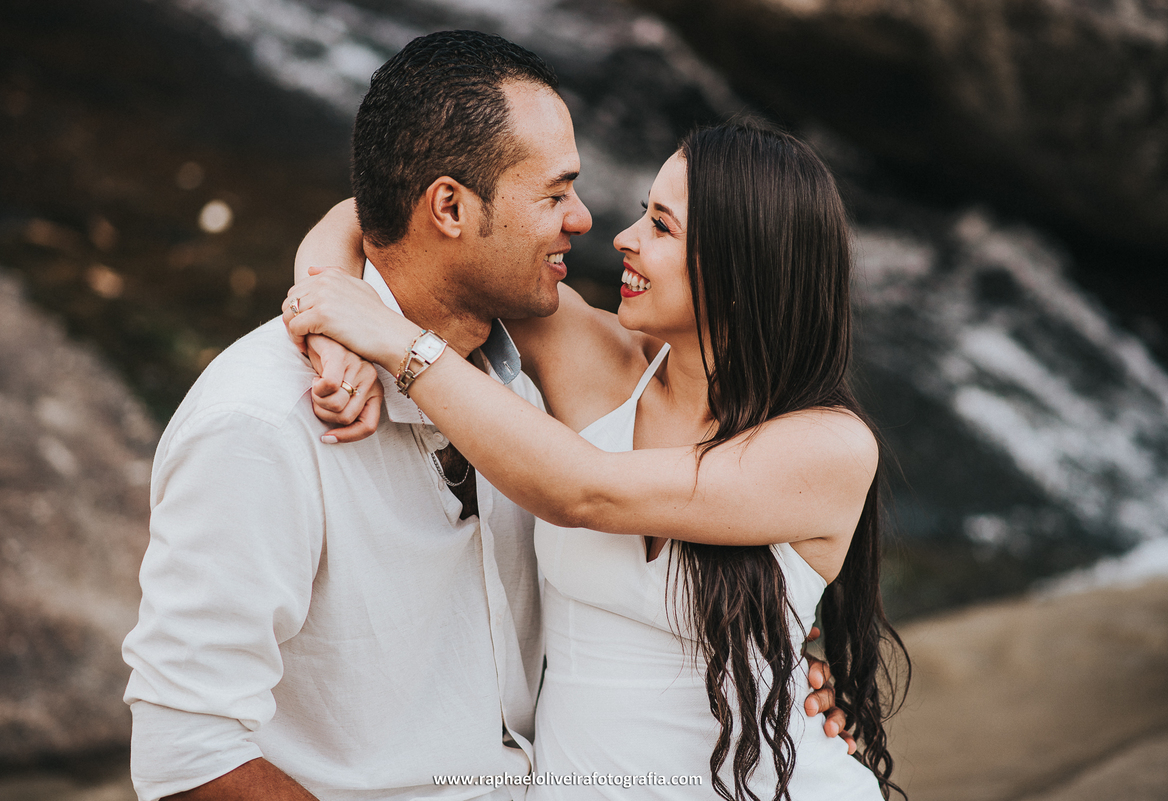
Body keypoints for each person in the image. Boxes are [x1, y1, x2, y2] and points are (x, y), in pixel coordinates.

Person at [122, 30, 846, 801]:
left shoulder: (530, 379)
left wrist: (781, 664)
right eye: (555, 192)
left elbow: (587, 493)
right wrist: (327, 311)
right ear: (450, 207)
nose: (592, 224)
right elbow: (187, 751)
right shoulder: (264, 424)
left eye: (660, 224)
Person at [284, 118, 909, 800]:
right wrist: (334, 337)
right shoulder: (594, 361)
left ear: (741, 267)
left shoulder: (828, 446)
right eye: (644, 211)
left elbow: (582, 491)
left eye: (662, 226)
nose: (623, 237)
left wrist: (396, 342)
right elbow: (373, 220)